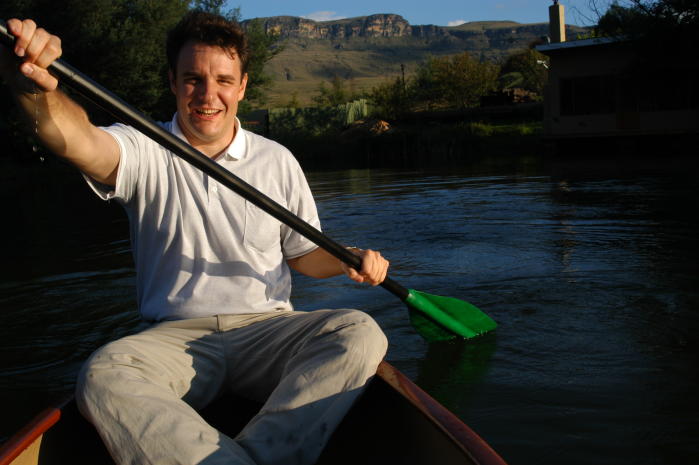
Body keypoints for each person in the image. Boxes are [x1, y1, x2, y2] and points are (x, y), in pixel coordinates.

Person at [1, 11, 389, 465]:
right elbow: (73, 138)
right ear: (172, 81)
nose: (209, 95)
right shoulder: (143, 146)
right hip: (174, 340)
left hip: (264, 331)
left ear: (242, 86)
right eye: (193, 79)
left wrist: (347, 258)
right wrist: (31, 85)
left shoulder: (277, 160)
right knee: (104, 374)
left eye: (223, 80)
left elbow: (303, 256)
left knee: (358, 331)